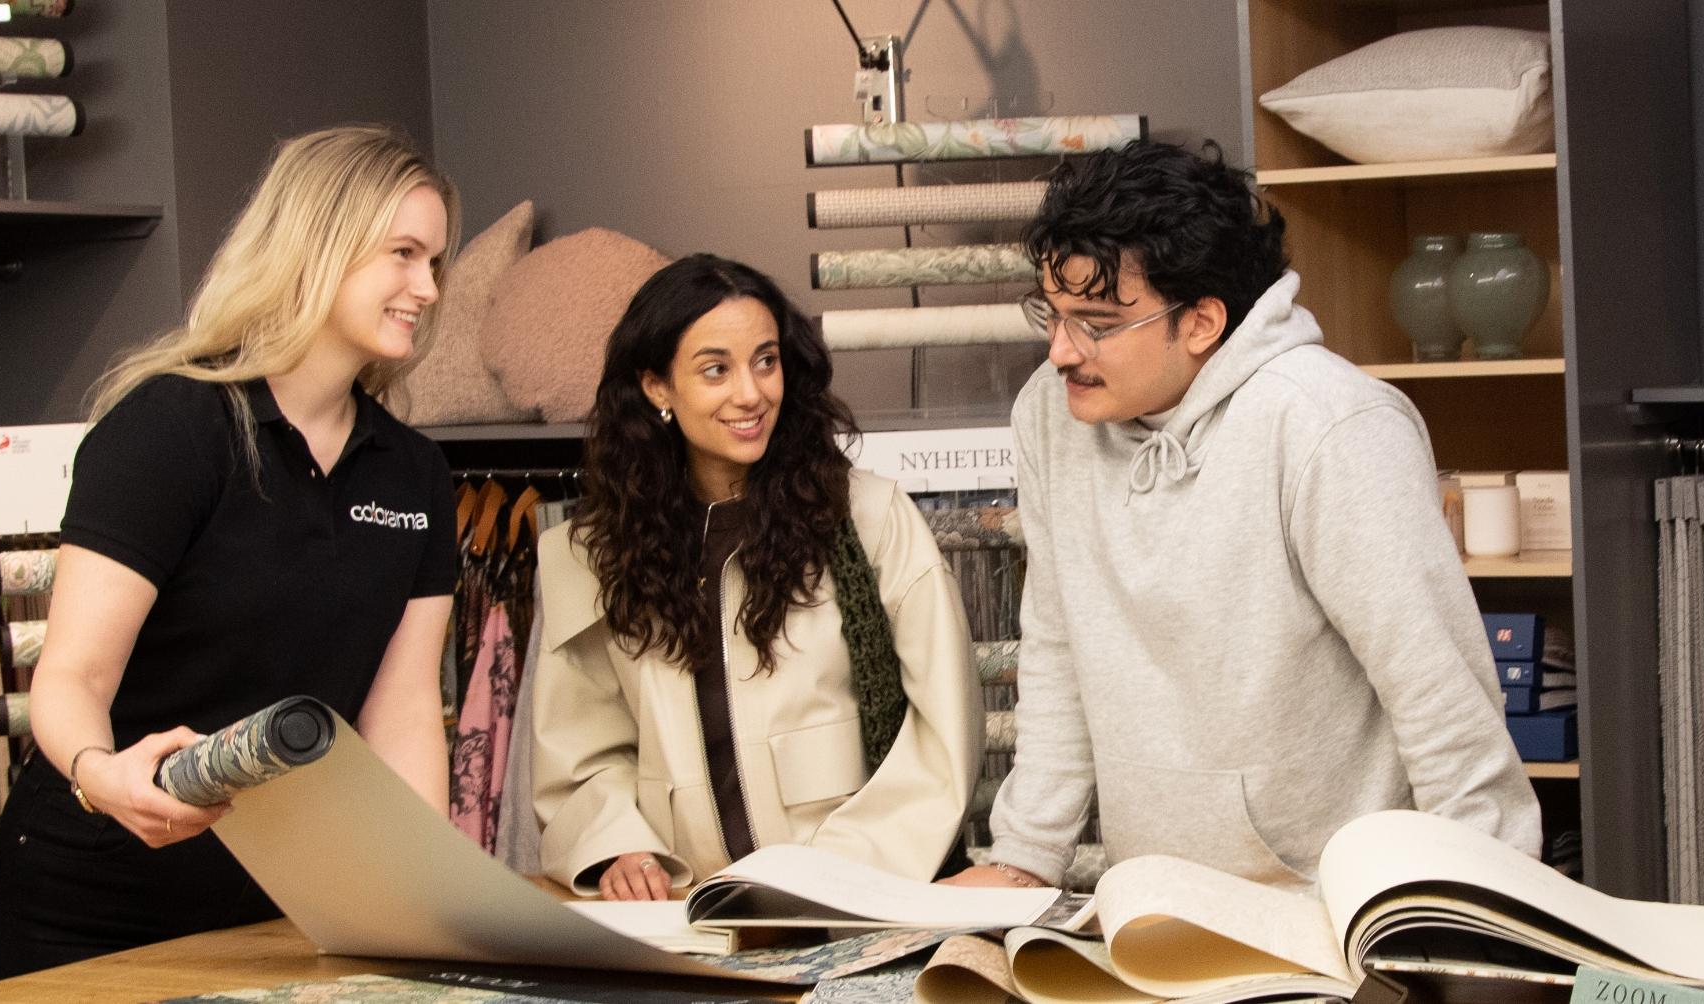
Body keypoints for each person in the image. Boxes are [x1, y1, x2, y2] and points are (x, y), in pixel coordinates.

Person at [944, 140, 1539, 893]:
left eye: (1094, 322)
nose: (1061, 350)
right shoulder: (1049, 415)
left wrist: (1491, 908)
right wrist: (1024, 856)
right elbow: (1060, 642)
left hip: (1345, 903)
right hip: (1162, 904)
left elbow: (1437, 691)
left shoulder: (1329, 424)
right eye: (1052, 315)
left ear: (1200, 322)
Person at [0, 125, 461, 975]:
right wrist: (103, 775)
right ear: (318, 244)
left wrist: (420, 896)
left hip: (278, 896)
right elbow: (71, 676)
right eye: (403, 253)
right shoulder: (171, 430)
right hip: (97, 899)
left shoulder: (415, 473)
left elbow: (402, 717)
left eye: (434, 261)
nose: (426, 287)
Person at [532, 254, 982, 900]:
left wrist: (825, 879)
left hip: (849, 902)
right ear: (657, 387)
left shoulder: (870, 520)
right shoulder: (594, 555)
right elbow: (581, 748)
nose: (750, 393)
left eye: (765, 361)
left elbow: (943, 733)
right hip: (685, 918)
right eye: (715, 369)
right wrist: (617, 845)